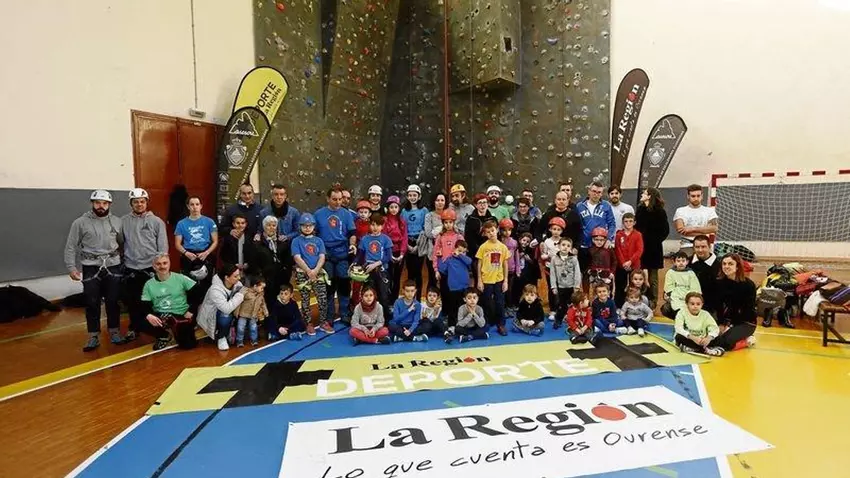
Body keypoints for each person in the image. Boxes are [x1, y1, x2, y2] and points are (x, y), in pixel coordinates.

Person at [64, 189, 125, 351]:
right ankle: (93, 336)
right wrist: (71, 267)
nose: (101, 206)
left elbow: (122, 243)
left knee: (113, 301)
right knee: (92, 301)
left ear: (109, 205)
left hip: (113, 265)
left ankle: (114, 332)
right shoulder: (80, 223)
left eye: (104, 203)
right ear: (92, 203)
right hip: (91, 266)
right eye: (98, 203)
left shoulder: (117, 222)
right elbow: (71, 246)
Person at [120, 188, 168, 343]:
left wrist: (161, 269)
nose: (139, 204)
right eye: (136, 202)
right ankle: (134, 328)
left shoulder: (157, 222)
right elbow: (120, 243)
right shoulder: (123, 221)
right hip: (131, 268)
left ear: (146, 202)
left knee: (153, 302)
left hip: (150, 269)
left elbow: (163, 248)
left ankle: (158, 330)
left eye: (142, 201)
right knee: (133, 302)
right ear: (131, 204)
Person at [314, 186, 357, 325]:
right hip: (326, 254)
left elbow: (352, 233)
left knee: (344, 283)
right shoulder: (318, 214)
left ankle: (344, 313)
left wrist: (352, 244)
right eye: (334, 199)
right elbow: (313, 235)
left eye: (340, 199)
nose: (338, 202)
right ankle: (330, 314)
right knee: (329, 285)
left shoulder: (346, 214)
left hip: (342, 253)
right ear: (327, 199)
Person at [140, 253, 202, 350]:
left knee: (188, 345)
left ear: (169, 264)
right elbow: (144, 304)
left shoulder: (180, 278)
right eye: (158, 264)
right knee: (139, 320)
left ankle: (182, 330)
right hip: (161, 315)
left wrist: (191, 311)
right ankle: (164, 335)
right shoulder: (148, 284)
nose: (162, 266)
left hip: (181, 314)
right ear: (154, 266)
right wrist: (149, 315)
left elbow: (199, 293)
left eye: (165, 263)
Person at [291, 213, 331, 334]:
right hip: (302, 274)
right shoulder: (296, 241)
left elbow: (322, 256)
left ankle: (323, 322)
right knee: (305, 300)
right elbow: (297, 258)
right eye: (304, 226)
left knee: (322, 298)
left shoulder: (319, 241)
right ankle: (308, 323)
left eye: (310, 225)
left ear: (314, 226)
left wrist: (316, 270)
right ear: (300, 227)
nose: (307, 228)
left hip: (318, 273)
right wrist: (308, 271)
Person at [174, 196, 218, 299]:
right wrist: (186, 253)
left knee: (207, 285)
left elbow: (215, 241)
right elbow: (177, 244)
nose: (195, 207)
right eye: (192, 204)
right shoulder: (181, 223)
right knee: (189, 286)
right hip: (188, 255)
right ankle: (191, 306)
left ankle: (205, 306)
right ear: (188, 206)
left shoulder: (209, 222)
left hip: (205, 254)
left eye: (197, 204)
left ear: (201, 206)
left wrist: (207, 252)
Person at [713, 254, 758, 350]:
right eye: (724, 264)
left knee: (724, 343)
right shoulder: (719, 283)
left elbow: (748, 310)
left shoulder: (748, 285)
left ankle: (746, 341)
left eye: (730, 264)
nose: (726, 266)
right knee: (712, 339)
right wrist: (721, 323)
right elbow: (718, 306)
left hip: (745, 322)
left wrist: (730, 326)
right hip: (727, 321)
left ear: (737, 267)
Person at [634, 187, 669, 309]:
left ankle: (653, 301)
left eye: (644, 193)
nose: (642, 195)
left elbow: (665, 231)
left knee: (653, 276)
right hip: (641, 247)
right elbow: (636, 228)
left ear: (649, 196)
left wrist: (654, 241)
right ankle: (640, 298)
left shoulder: (660, 211)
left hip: (654, 249)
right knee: (640, 274)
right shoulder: (640, 210)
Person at [197, 263, 245, 351]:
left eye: (239, 275)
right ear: (226, 277)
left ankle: (230, 331)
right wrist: (240, 296)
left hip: (229, 312)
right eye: (235, 276)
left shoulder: (238, 284)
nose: (239, 278)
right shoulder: (215, 289)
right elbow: (226, 309)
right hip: (212, 317)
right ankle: (221, 337)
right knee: (225, 315)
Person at [476, 221, 510, 336]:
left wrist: (506, 281)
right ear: (485, 234)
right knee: (487, 302)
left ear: (497, 230)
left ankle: (501, 324)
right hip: (486, 279)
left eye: (492, 230)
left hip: (499, 279)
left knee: (500, 302)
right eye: (488, 232)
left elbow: (505, 264)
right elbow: (479, 264)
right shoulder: (483, 247)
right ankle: (487, 322)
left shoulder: (503, 247)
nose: (491, 233)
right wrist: (479, 280)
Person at [259, 184, 300, 278]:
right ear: (272, 196)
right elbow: (260, 230)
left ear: (285, 196)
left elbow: (298, 231)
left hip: (287, 250)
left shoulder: (294, 212)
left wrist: (287, 236)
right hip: (269, 251)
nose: (279, 197)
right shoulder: (264, 213)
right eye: (276, 194)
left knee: (285, 278)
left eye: (282, 194)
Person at [357, 213, 393, 318]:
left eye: (378, 225)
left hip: (382, 271)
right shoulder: (364, 239)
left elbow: (388, 256)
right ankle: (369, 318)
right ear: (369, 225)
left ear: (382, 226)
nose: (375, 227)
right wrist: (354, 264)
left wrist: (376, 264)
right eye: (373, 224)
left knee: (383, 296)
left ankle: (385, 319)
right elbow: (360, 256)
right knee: (369, 295)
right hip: (368, 271)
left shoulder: (386, 239)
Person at [576, 181, 616, 272]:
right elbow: (577, 226)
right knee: (584, 272)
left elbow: (612, 224)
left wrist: (609, 239)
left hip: (600, 246)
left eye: (599, 192)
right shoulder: (579, 206)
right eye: (594, 191)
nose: (596, 194)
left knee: (601, 271)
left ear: (602, 194)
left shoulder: (606, 205)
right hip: (584, 245)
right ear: (589, 191)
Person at [255, 216, 290, 308]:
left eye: (274, 225)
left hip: (281, 277)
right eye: (268, 225)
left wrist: (287, 274)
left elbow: (288, 261)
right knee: (267, 303)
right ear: (264, 227)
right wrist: (260, 277)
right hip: (265, 278)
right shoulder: (257, 242)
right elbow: (254, 262)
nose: (271, 228)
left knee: (281, 302)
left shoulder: (282, 241)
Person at [673, 184, 718, 257]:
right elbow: (681, 230)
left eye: (698, 196)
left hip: (704, 246)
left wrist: (692, 229)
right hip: (687, 245)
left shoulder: (709, 211)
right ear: (688, 196)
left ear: (702, 196)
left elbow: (714, 228)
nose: (696, 198)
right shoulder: (680, 211)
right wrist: (704, 230)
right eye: (693, 196)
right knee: (685, 263)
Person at [674, 292, 724, 356]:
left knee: (718, 338)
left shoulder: (705, 314)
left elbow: (714, 328)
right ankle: (706, 350)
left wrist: (708, 338)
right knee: (679, 337)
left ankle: (693, 349)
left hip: (702, 340)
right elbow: (678, 328)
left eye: (698, 304)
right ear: (687, 304)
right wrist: (693, 337)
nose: (695, 306)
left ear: (702, 304)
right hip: (689, 339)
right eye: (692, 304)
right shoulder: (681, 313)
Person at [438, 240, 472, 328]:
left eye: (463, 252)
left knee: (464, 307)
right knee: (452, 308)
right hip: (453, 288)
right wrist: (440, 257)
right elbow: (442, 269)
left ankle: (463, 325)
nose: (461, 253)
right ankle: (451, 326)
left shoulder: (465, 259)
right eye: (459, 250)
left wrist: (460, 255)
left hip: (464, 287)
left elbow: (469, 261)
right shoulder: (449, 259)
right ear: (454, 249)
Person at [549, 237, 582, 329]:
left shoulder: (574, 259)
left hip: (571, 286)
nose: (565, 247)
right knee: (561, 305)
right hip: (560, 287)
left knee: (573, 305)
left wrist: (577, 286)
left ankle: (573, 321)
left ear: (571, 248)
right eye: (563, 245)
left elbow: (577, 273)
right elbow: (552, 274)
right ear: (559, 246)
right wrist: (553, 286)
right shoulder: (554, 259)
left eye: (568, 246)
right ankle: (558, 320)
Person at [403, 184, 429, 299]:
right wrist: (407, 245)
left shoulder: (424, 210)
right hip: (408, 241)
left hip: (420, 240)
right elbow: (403, 229)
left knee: (418, 271)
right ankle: (409, 297)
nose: (412, 197)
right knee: (410, 271)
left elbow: (425, 228)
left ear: (419, 196)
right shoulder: (404, 211)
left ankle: (417, 298)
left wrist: (418, 245)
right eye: (410, 195)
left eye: (415, 195)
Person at [433, 209, 463, 307]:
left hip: (455, 270)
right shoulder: (440, 237)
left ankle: (455, 313)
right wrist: (436, 270)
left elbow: (464, 253)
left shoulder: (459, 237)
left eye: (450, 222)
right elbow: (435, 254)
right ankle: (445, 312)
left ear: (454, 223)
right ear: (443, 223)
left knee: (455, 294)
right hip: (443, 270)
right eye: (446, 222)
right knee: (444, 292)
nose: (448, 225)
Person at [539, 217, 566, 321]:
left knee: (562, 289)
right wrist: (545, 256)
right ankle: (553, 309)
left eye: (558, 230)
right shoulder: (547, 241)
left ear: (562, 231)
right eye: (554, 229)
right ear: (550, 229)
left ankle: (562, 309)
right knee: (552, 289)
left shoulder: (564, 241)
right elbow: (544, 254)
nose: (556, 232)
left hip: (562, 268)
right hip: (550, 269)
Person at [614, 212, 643, 307]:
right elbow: (617, 250)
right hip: (621, 265)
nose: (628, 223)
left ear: (634, 222)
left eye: (630, 221)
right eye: (626, 221)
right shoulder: (619, 234)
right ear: (623, 223)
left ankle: (635, 306)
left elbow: (639, 250)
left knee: (634, 287)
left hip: (634, 265)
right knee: (620, 286)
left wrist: (630, 261)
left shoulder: (638, 235)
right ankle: (619, 306)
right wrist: (623, 263)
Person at [661, 251, 702, 319]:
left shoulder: (691, 273)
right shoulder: (670, 272)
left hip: (688, 299)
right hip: (675, 298)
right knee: (665, 309)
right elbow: (668, 287)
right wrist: (675, 297)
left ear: (687, 262)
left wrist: (688, 298)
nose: (681, 263)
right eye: (678, 261)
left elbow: (695, 288)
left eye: (683, 261)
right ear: (674, 262)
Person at [464, 193, 495, 282]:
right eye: (480, 203)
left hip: (490, 251)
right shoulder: (471, 219)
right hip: (476, 253)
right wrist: (479, 250)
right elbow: (469, 238)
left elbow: (496, 236)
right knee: (478, 279)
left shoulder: (492, 219)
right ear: (475, 205)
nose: (482, 205)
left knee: (490, 278)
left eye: (484, 202)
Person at [384, 195, 409, 299]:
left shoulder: (402, 221)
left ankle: (394, 299)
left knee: (397, 276)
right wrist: (389, 253)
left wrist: (402, 254)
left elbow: (404, 238)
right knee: (388, 275)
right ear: (388, 208)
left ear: (399, 208)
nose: (393, 209)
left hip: (399, 252)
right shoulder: (385, 221)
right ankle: (387, 298)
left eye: (396, 207)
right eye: (391, 207)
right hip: (388, 251)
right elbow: (385, 237)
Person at [422, 192, 448, 289]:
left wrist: (437, 231)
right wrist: (442, 229)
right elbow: (429, 233)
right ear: (434, 202)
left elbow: (453, 231)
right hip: (433, 252)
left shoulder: (449, 214)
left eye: (442, 200)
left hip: (447, 252)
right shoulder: (429, 216)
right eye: (437, 200)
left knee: (445, 280)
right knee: (432, 279)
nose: (440, 202)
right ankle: (431, 298)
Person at [690, 234, 721, 315]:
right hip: (691, 302)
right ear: (693, 248)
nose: (700, 250)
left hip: (711, 304)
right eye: (697, 247)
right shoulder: (687, 262)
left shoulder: (719, 265)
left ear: (709, 247)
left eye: (703, 247)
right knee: (667, 308)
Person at [233, 276, 267, 347]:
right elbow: (239, 302)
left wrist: (265, 311)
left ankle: (254, 340)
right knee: (240, 328)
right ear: (255, 286)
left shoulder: (260, 295)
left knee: (253, 328)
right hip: (243, 314)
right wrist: (236, 312)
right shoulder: (246, 292)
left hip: (253, 315)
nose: (262, 290)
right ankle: (239, 341)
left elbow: (263, 304)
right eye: (261, 288)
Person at [351, 200, 373, 305]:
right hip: (358, 255)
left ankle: (368, 301)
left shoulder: (372, 225)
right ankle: (355, 302)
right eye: (361, 212)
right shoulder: (354, 224)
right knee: (357, 279)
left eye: (365, 212)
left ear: (369, 214)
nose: (363, 214)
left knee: (369, 280)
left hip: (370, 255)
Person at [513, 232, 539, 307]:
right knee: (517, 288)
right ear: (520, 240)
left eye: (528, 242)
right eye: (524, 240)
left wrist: (529, 260)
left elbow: (534, 263)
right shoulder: (516, 249)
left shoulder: (531, 250)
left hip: (527, 273)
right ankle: (517, 303)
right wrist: (518, 256)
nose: (525, 243)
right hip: (518, 272)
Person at [499, 219, 519, 312]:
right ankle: (503, 307)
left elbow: (516, 256)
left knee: (509, 289)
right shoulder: (498, 242)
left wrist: (518, 269)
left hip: (511, 269)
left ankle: (509, 306)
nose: (507, 232)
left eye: (509, 230)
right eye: (504, 230)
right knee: (501, 289)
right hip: (500, 270)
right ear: (500, 230)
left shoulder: (514, 242)